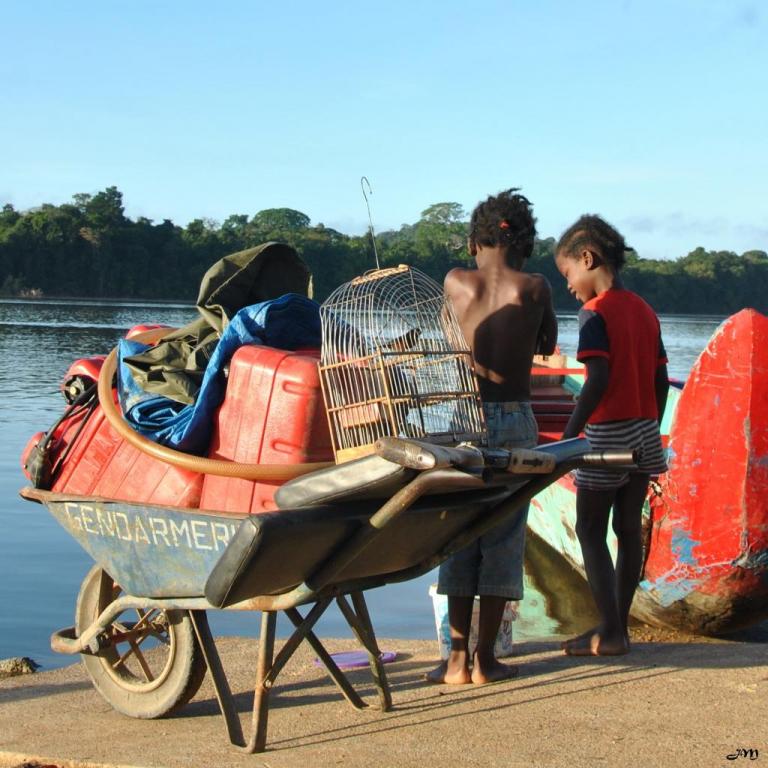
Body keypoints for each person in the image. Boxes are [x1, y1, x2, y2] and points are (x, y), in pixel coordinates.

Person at [426, 188, 557, 685]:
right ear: (524, 243)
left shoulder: (455, 281)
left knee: (460, 532)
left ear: (472, 243)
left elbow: (448, 337)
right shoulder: (537, 287)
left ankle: (454, 661)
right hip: (515, 420)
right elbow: (546, 344)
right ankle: (486, 660)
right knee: (504, 535)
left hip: (463, 420)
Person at [554, 214, 669, 656]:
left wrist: (569, 436)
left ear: (588, 258)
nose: (568, 285)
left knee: (588, 527)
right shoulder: (644, 310)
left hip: (607, 434)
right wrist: (651, 425)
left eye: (568, 274)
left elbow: (597, 379)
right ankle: (619, 626)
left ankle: (609, 630)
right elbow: (660, 380)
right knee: (628, 529)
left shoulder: (593, 313)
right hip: (644, 431)